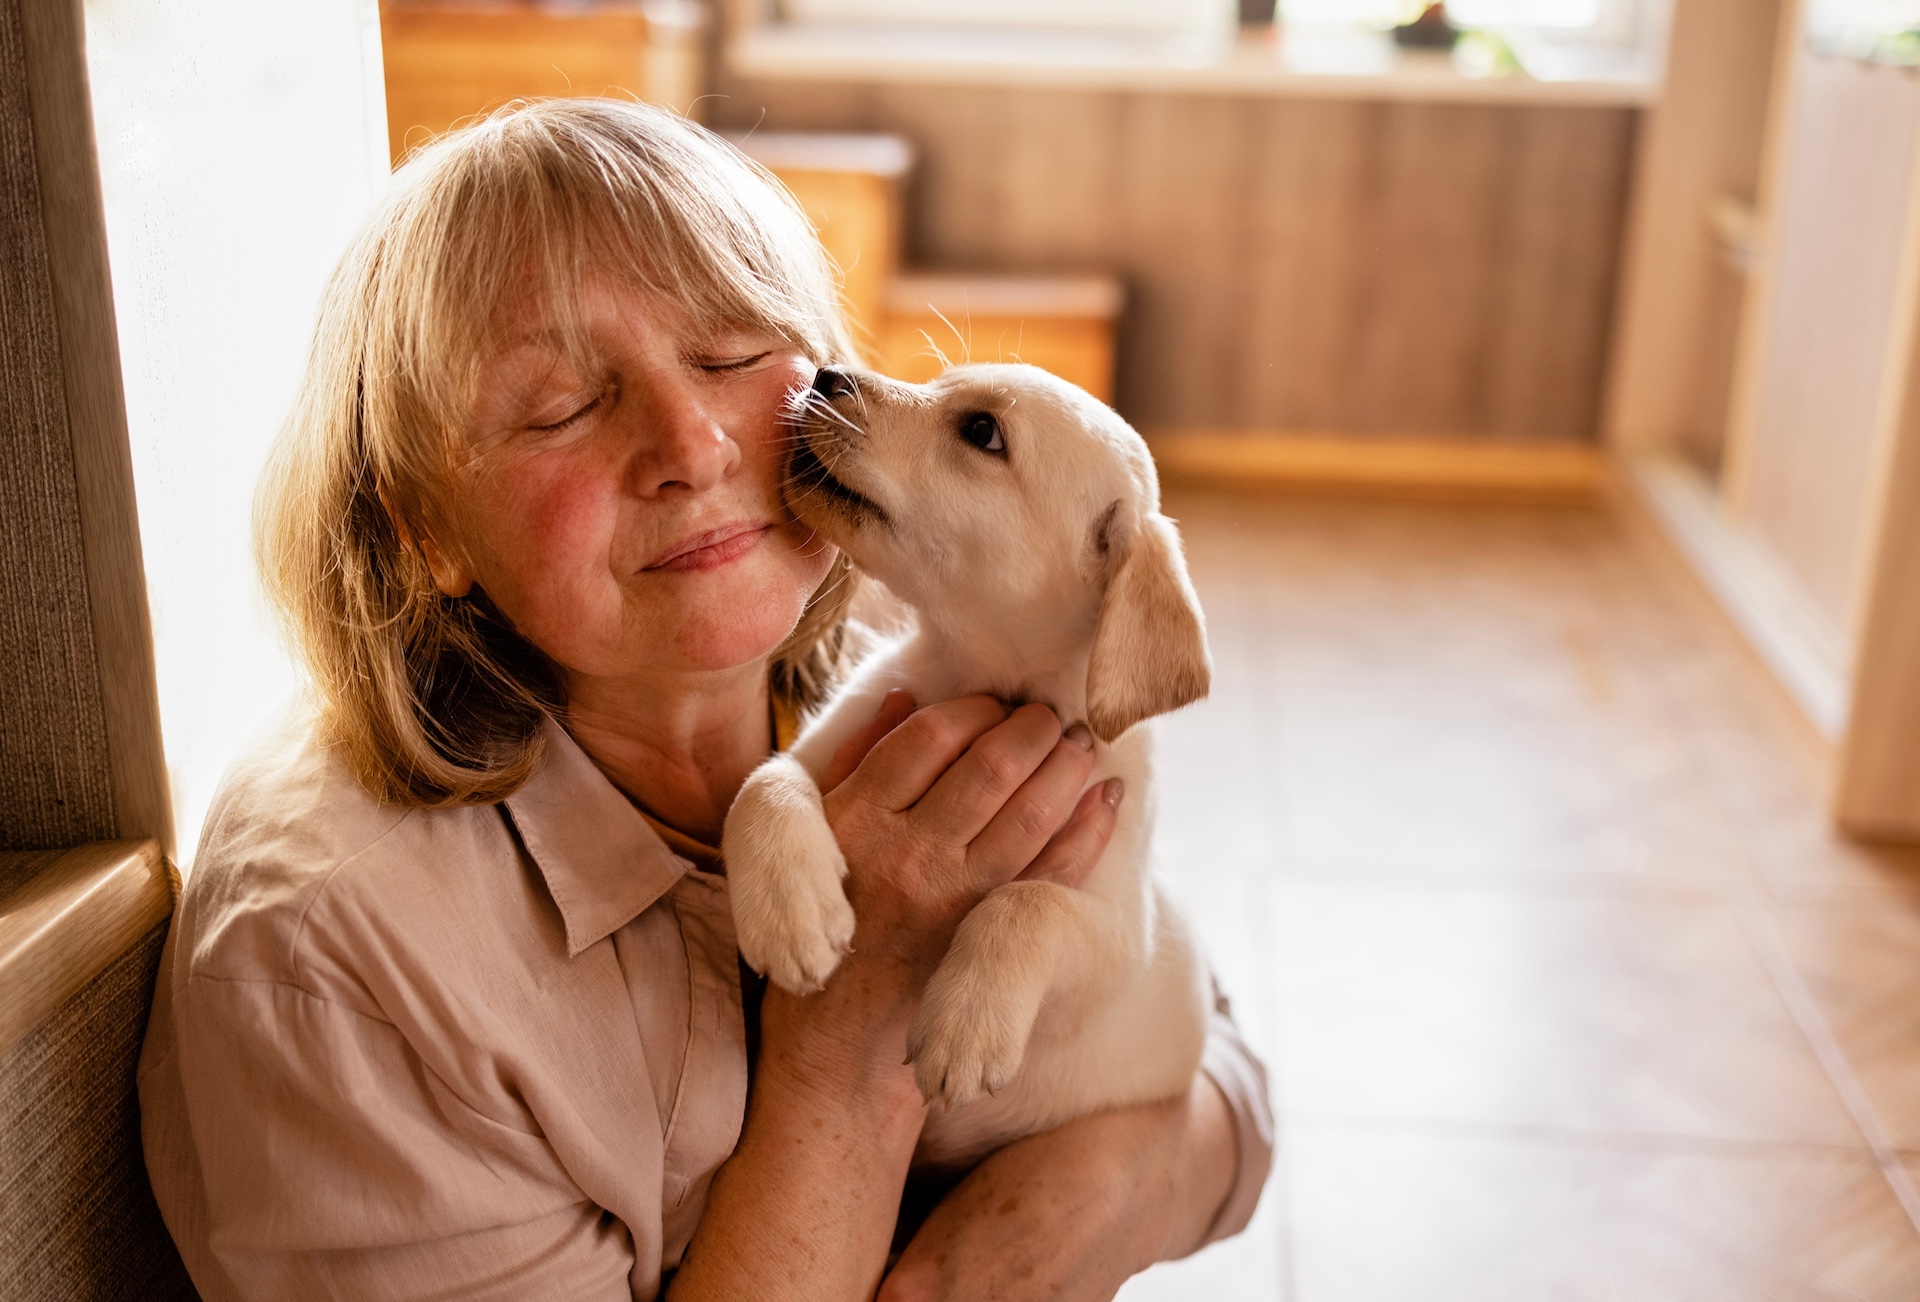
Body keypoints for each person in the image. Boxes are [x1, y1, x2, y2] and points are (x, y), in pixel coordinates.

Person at [138, 98, 1271, 1301]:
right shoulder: (339, 967)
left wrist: (1078, 1205)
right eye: (562, 405)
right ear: (424, 529)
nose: (693, 442)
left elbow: (1228, 1079)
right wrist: (847, 1048)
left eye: (731, 356)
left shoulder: (900, 679)